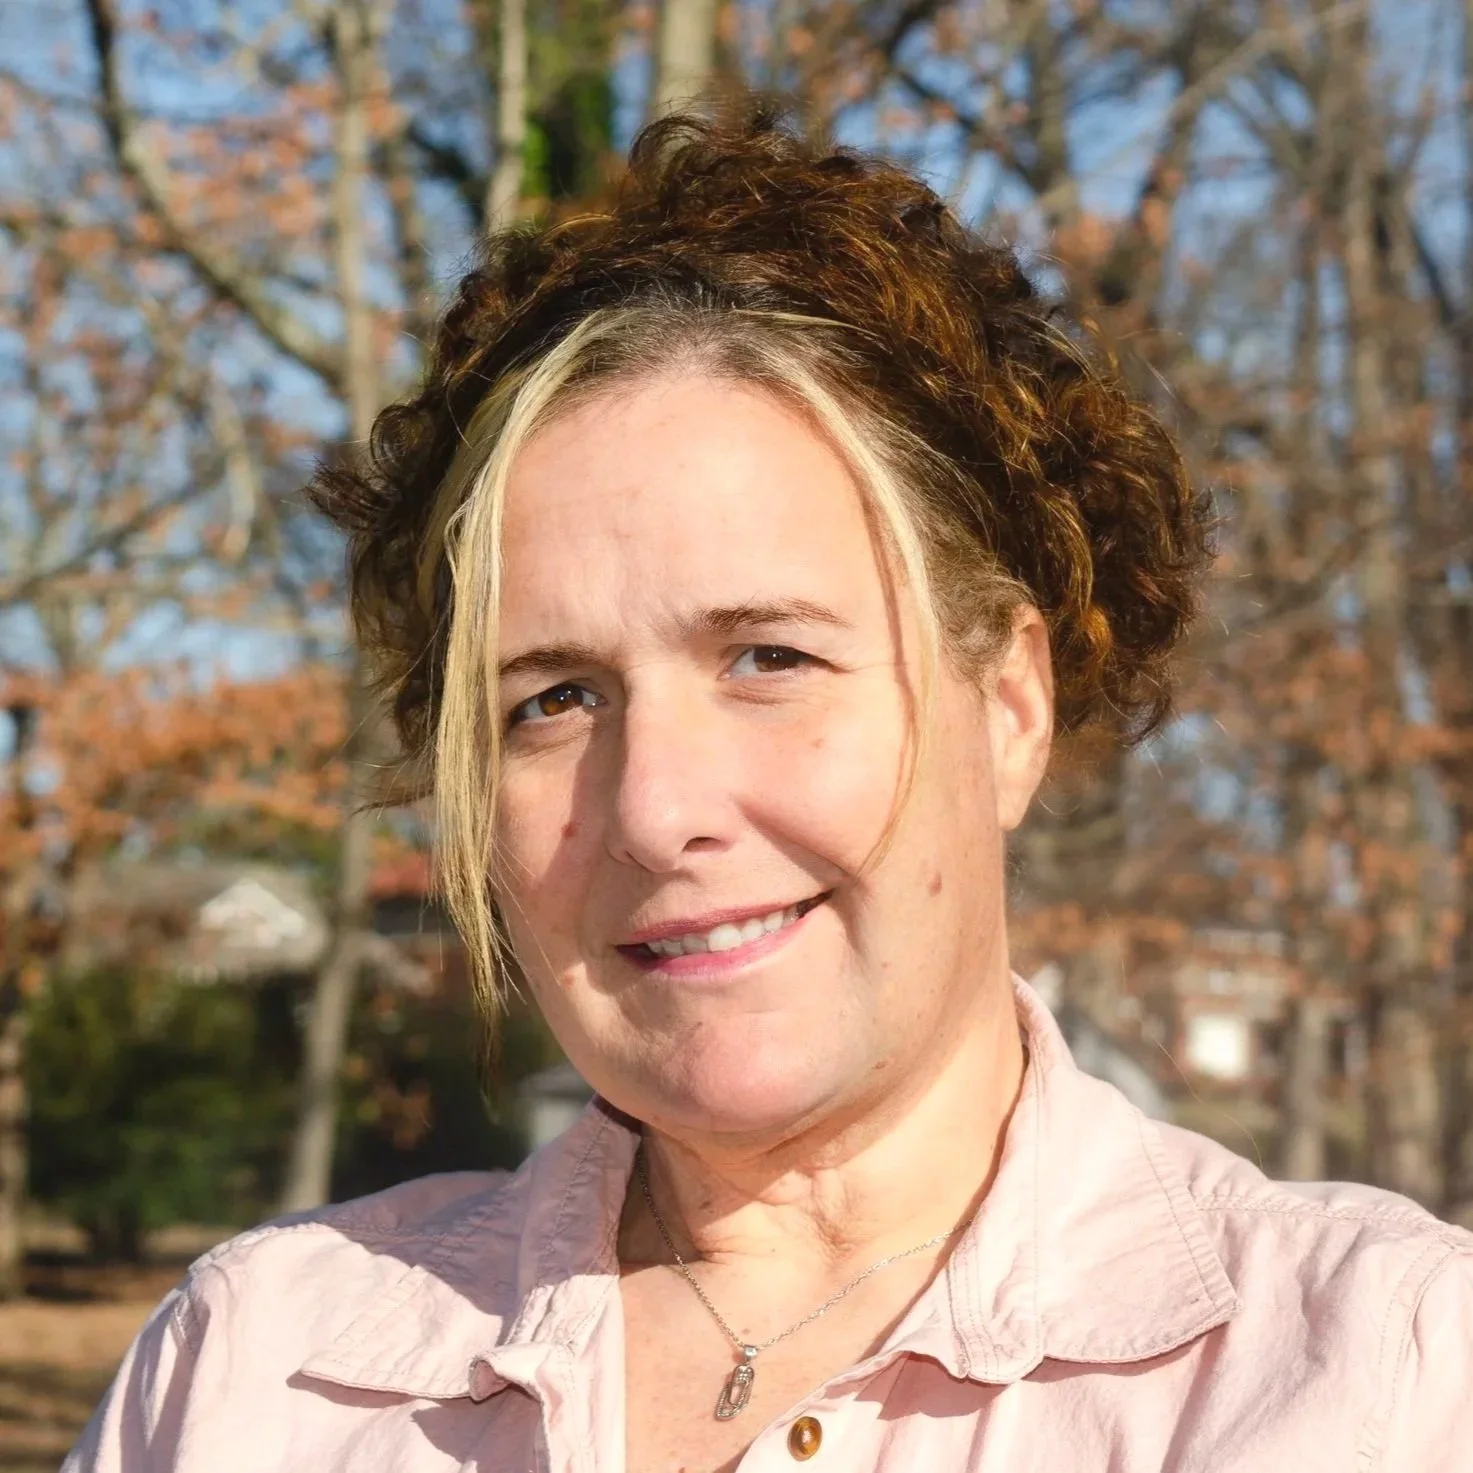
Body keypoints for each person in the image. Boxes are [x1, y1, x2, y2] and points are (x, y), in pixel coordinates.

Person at [66, 105, 1472, 1473]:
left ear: (1011, 708)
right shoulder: (254, 1376)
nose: (653, 808)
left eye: (768, 656)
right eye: (553, 698)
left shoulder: (1379, 1379)